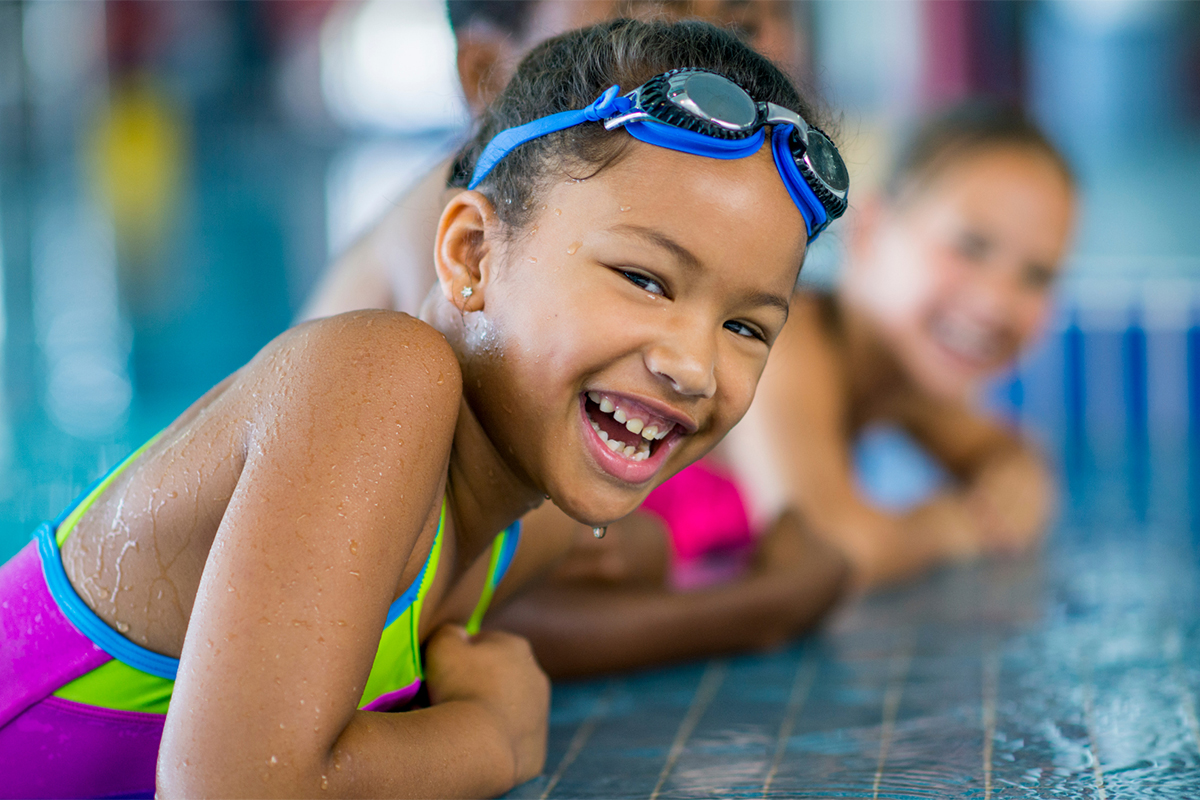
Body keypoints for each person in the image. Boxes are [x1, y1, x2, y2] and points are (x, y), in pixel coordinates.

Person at [0, 18, 844, 799]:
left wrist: (751, 602)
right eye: (643, 279)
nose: (693, 366)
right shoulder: (377, 374)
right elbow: (234, 788)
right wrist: (490, 740)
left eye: (744, 325)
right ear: (471, 253)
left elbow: (574, 605)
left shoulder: (523, 517)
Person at [486, 101, 1076, 675]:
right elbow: (837, 544)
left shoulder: (903, 381)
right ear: (871, 230)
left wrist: (1013, 471)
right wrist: (959, 527)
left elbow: (1005, 457)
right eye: (970, 247)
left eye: (1037, 275)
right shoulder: (789, 343)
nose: (996, 301)